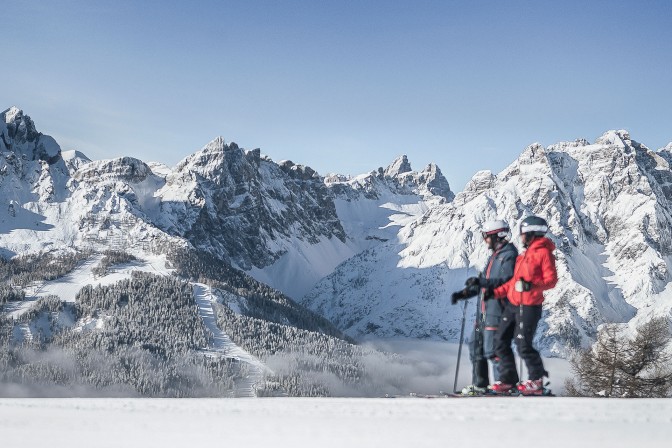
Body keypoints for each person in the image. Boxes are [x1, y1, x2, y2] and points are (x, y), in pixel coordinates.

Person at [489, 215, 558, 395]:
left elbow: (551, 281)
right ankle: (508, 380)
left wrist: (531, 286)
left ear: (531, 234)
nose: (520, 237)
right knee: (500, 340)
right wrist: (494, 293)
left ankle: (536, 381)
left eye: (522, 234)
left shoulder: (544, 253)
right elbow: (514, 283)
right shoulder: (523, 256)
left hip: (529, 306)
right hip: (513, 304)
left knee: (522, 343)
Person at [451, 219, 518, 395]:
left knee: (494, 349)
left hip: (498, 309)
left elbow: (507, 280)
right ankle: (480, 385)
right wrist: (465, 293)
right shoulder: (494, 256)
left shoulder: (509, 255)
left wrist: (482, 282)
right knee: (475, 346)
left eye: (487, 237)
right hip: (484, 312)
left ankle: (505, 385)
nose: (485, 240)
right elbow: (485, 282)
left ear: (498, 236)